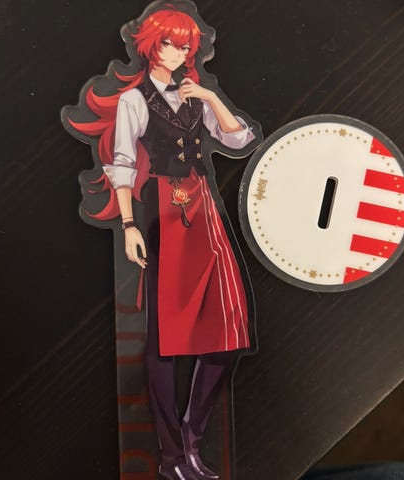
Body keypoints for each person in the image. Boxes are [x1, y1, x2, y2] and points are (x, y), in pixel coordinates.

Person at [68, 5, 259, 480]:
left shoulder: (196, 95)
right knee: (165, 339)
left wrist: (210, 97)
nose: (176, 53)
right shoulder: (135, 101)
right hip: (161, 213)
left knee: (227, 327)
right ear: (151, 45)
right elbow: (122, 163)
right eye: (169, 43)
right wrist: (129, 225)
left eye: (184, 46)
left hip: (202, 207)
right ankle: (172, 456)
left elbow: (240, 141)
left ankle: (192, 440)